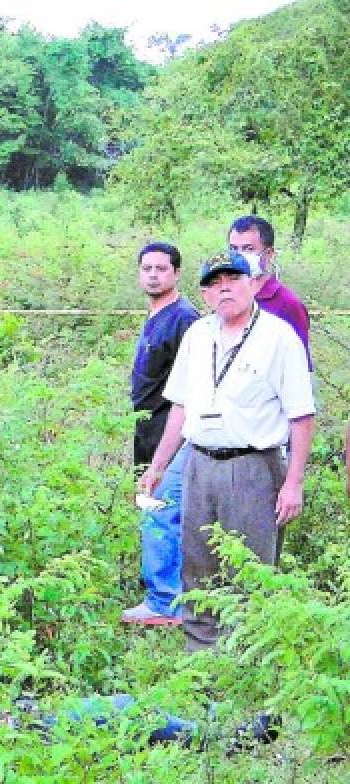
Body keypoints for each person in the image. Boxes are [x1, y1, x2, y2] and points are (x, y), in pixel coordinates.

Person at [138, 251, 315, 651]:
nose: (225, 289)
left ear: (254, 284)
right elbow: (180, 408)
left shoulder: (279, 338)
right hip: (200, 463)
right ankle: (200, 658)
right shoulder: (198, 336)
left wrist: (294, 483)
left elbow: (301, 417)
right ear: (204, 293)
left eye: (233, 279)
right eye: (215, 284)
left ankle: (249, 659)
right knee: (198, 565)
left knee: (249, 568)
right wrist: (159, 466)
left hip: (253, 466)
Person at [123, 242, 200, 627]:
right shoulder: (156, 314)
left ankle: (165, 601)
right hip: (148, 430)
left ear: (176, 274)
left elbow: (192, 387)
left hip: (174, 433)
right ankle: (163, 591)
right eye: (147, 268)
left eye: (161, 269)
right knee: (153, 507)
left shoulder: (184, 318)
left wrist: (175, 443)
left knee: (162, 512)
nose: (153, 275)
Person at [227, 215, 311, 370]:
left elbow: (300, 368)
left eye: (248, 249)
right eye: (233, 249)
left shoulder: (288, 304)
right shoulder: (225, 296)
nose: (239, 256)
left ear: (269, 254)